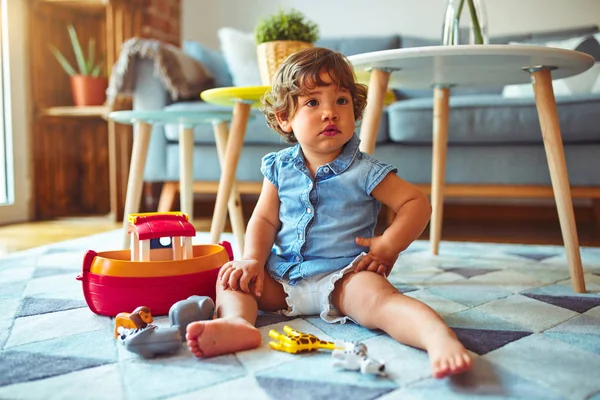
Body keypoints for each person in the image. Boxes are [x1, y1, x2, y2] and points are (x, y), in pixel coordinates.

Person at [186, 47, 472, 378]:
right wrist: (251, 259)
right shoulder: (278, 167)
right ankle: (236, 323)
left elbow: (416, 203)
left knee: (382, 302)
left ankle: (437, 339)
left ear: (355, 109)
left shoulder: (365, 170)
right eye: (312, 102)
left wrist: (390, 243)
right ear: (285, 118)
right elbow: (263, 220)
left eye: (341, 101)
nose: (329, 113)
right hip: (283, 277)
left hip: (346, 279)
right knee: (233, 278)